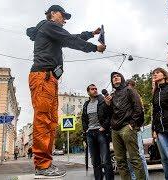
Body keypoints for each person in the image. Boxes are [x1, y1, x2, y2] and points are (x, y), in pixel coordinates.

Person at [26, 5, 106, 179]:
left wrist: (91, 33)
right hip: (42, 78)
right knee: (43, 121)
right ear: (53, 14)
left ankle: (46, 163)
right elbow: (71, 41)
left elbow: (71, 37)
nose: (65, 20)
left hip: (50, 79)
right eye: (63, 16)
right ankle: (42, 166)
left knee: (51, 121)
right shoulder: (48, 26)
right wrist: (94, 47)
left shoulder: (52, 31)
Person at [104, 72, 145, 180]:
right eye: (113, 77)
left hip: (127, 127)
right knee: (120, 161)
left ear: (122, 78)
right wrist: (108, 105)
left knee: (135, 159)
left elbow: (138, 108)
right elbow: (109, 114)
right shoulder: (112, 95)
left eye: (117, 76)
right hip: (115, 130)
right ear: (112, 81)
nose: (115, 77)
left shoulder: (129, 90)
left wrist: (132, 124)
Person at [82, 84, 114, 180]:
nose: (95, 90)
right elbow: (83, 119)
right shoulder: (86, 104)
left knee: (106, 160)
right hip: (90, 134)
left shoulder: (102, 101)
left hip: (101, 132)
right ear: (88, 92)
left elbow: (109, 114)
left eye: (96, 89)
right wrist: (86, 131)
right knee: (95, 162)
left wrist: (104, 126)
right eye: (92, 89)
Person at [125, 79, 149, 180]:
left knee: (139, 155)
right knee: (131, 156)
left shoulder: (135, 96)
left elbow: (139, 112)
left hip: (135, 128)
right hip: (129, 128)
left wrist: (133, 124)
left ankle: (145, 178)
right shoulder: (129, 96)